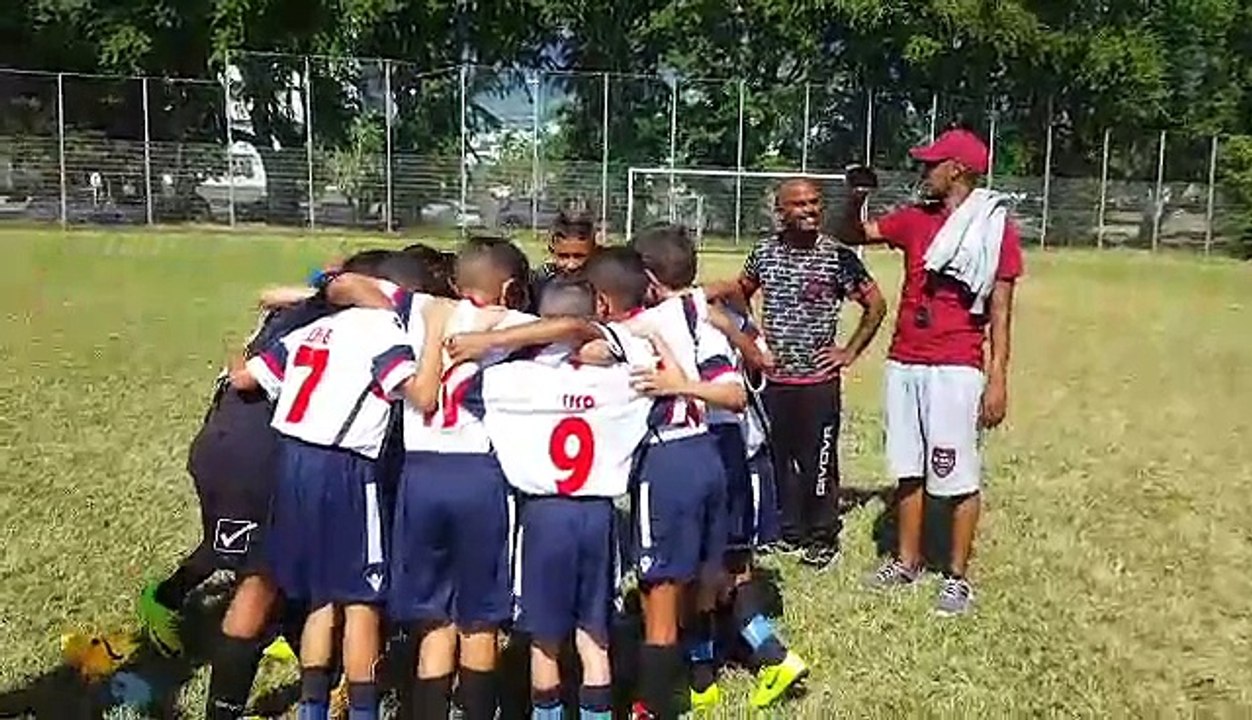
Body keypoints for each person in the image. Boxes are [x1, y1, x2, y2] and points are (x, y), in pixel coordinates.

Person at [444, 241, 746, 720]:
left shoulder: (514, 382)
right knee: (595, 635)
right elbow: (668, 386)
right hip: (600, 515)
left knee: (544, 641)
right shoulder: (623, 382)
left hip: (544, 517)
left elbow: (459, 393)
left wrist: (492, 339)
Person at [229, 251, 430, 720]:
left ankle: (312, 709)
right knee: (362, 601)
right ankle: (363, 711)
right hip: (345, 470)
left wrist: (237, 343)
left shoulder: (313, 328)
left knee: (320, 596)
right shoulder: (385, 332)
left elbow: (244, 378)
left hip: (293, 462)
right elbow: (413, 392)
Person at [836, 127, 1023, 616]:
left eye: (931, 164)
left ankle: (957, 578)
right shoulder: (915, 219)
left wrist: (997, 376)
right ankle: (906, 561)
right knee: (907, 466)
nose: (923, 172)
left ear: (956, 170)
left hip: (956, 364)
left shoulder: (992, 226)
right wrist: (855, 194)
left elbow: (1001, 308)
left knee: (956, 472)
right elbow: (854, 233)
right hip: (905, 360)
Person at [704, 179, 887, 570]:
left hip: (818, 384)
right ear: (781, 211)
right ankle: (787, 530)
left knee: (819, 461)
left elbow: (876, 304)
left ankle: (822, 537)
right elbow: (741, 290)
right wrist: (753, 340)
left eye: (815, 202)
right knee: (778, 460)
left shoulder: (837, 256)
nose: (808, 210)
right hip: (776, 381)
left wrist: (848, 352)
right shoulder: (765, 253)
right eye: (798, 203)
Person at [388, 236, 536, 720]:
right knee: (479, 619)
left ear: (455, 281)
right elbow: (573, 327)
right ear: (511, 288)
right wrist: (494, 336)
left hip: (420, 474)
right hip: (477, 475)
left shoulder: (417, 312)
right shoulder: (507, 322)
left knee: (433, 617)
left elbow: (355, 285)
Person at [528, 210, 598, 313]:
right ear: (552, 251)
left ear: (594, 252)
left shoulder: (601, 284)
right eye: (563, 256)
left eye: (579, 256)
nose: (571, 265)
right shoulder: (541, 281)